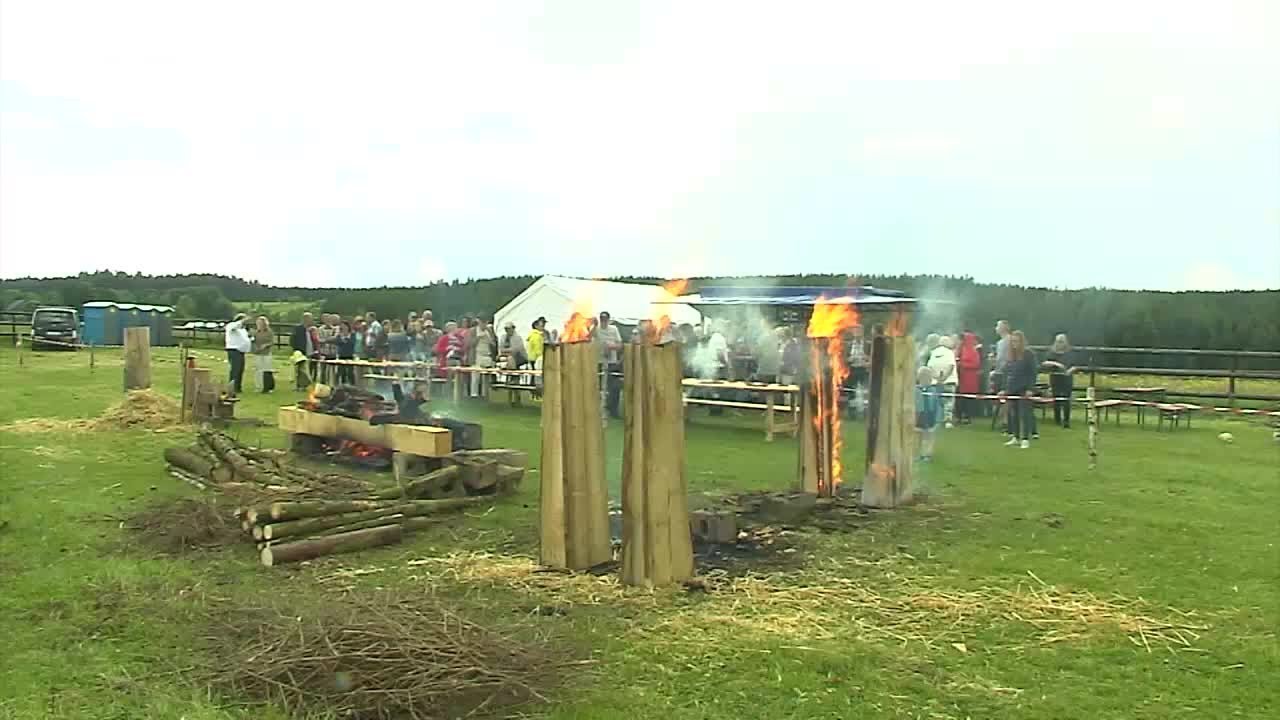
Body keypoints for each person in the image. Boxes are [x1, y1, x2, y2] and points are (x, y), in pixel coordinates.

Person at [1003, 330, 1037, 448]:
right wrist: (1005, 388)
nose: (1014, 344)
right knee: (1014, 414)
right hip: (1013, 388)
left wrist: (1030, 388)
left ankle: (1025, 439)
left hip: (1024, 388)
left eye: (1016, 341)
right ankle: (1016, 437)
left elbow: (1033, 372)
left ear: (1022, 342)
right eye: (1012, 341)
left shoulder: (1029, 354)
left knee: (1025, 414)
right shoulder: (1011, 355)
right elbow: (1008, 373)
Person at [1044, 333, 1078, 428]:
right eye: (1058, 342)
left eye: (1062, 342)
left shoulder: (1070, 353)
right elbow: (1045, 362)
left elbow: (1075, 365)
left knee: (1066, 400)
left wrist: (1070, 371)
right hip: (1055, 378)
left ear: (1065, 342)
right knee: (1056, 399)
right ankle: (1057, 420)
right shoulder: (1051, 352)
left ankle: (1066, 421)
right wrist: (1056, 364)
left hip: (1067, 379)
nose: (1060, 344)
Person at [594, 311, 624, 418]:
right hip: (599, 361)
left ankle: (613, 411)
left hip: (612, 362)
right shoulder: (596, 329)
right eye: (602, 319)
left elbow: (620, 345)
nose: (603, 322)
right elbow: (588, 338)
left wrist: (612, 347)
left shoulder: (614, 329)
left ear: (608, 320)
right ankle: (599, 410)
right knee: (598, 387)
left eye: (605, 320)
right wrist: (593, 326)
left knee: (614, 387)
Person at [928, 334, 959, 428]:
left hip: (935, 381)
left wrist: (937, 377)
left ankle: (937, 420)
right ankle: (948, 421)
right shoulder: (950, 353)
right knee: (948, 402)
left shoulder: (933, 352)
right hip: (949, 381)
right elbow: (951, 366)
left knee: (938, 402)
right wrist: (944, 377)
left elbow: (930, 367)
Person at [955, 331, 982, 424]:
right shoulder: (960, 349)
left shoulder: (973, 351)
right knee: (959, 398)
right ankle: (958, 416)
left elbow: (976, 364)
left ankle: (967, 416)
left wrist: (962, 364)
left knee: (968, 398)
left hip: (969, 378)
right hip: (960, 377)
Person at [916, 366, 941, 461]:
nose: (925, 380)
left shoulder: (933, 390)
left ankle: (928, 454)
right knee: (918, 436)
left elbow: (937, 405)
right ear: (919, 378)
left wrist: (938, 418)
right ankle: (919, 454)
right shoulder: (915, 390)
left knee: (929, 436)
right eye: (923, 377)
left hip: (931, 416)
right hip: (919, 416)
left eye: (927, 377)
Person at [224, 313, 251, 396]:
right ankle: (232, 387)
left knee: (240, 369)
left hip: (241, 351)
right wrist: (242, 320)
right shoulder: (231, 325)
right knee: (235, 369)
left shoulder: (243, 330)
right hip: (234, 350)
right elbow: (234, 326)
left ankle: (238, 387)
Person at [472, 320, 497, 398]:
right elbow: (470, 344)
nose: (483, 325)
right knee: (476, 376)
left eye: (485, 323)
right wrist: (478, 337)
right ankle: (474, 395)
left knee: (486, 376)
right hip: (477, 355)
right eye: (482, 323)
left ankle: (484, 394)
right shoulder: (473, 330)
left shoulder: (489, 331)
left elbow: (494, 344)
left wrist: (490, 340)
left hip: (487, 355)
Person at [251, 316, 275, 393]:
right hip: (258, 353)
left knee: (267, 370)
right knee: (258, 370)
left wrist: (266, 345)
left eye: (261, 323)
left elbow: (272, 342)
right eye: (258, 323)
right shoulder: (256, 332)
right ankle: (258, 386)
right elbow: (253, 341)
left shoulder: (269, 332)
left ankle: (268, 387)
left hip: (266, 353)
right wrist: (255, 348)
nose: (259, 325)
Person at [336, 321, 356, 385]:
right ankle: (343, 385)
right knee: (342, 372)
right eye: (342, 326)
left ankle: (352, 385)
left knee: (350, 372)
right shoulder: (339, 335)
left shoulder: (352, 334)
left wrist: (346, 340)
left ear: (348, 326)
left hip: (350, 355)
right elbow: (338, 343)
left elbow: (352, 343)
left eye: (344, 326)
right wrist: (343, 340)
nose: (343, 327)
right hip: (341, 355)